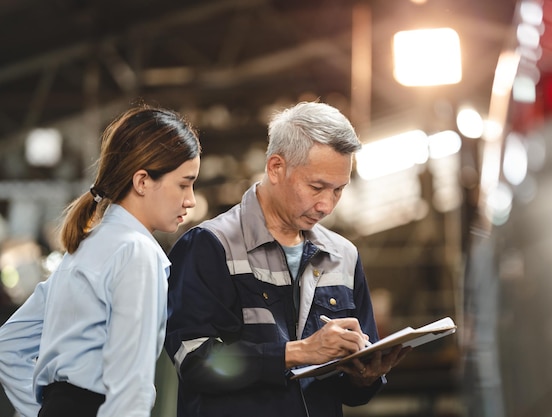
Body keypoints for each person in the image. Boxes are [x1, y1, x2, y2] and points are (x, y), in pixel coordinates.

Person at [165, 101, 410, 417]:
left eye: (338, 190)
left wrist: (365, 378)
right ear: (276, 167)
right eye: (317, 187)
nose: (326, 205)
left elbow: (348, 387)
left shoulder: (343, 256)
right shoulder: (212, 246)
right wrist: (298, 353)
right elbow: (194, 360)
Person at [0, 105, 202, 417]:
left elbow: (9, 344)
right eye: (184, 183)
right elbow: (129, 387)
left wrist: (42, 411)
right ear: (142, 181)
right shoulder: (137, 252)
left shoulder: (84, 247)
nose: (190, 199)